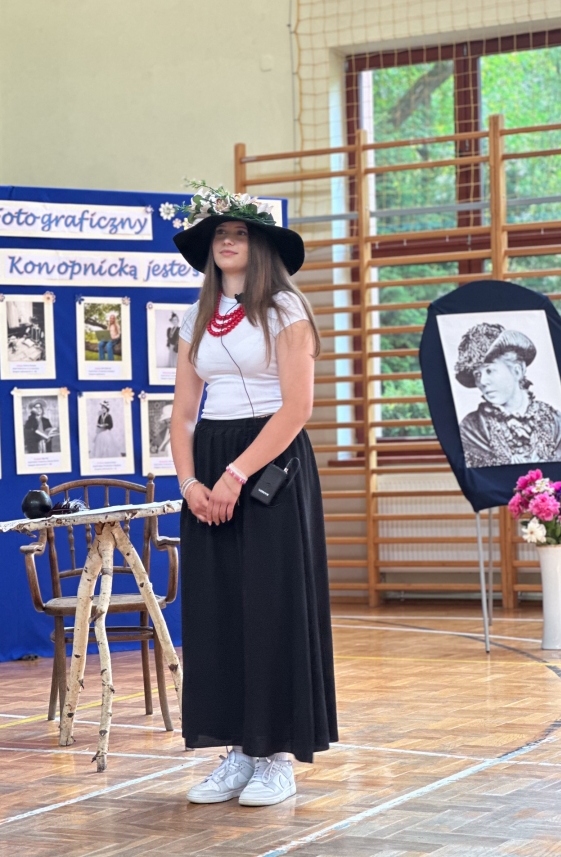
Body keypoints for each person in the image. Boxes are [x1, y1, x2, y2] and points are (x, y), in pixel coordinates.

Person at [170, 184, 337, 808]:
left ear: (260, 246)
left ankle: (276, 757)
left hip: (270, 464)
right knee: (218, 609)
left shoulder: (287, 309)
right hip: (209, 463)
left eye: (239, 233)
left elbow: (297, 408)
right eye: (220, 234)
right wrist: (190, 483)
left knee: (271, 606)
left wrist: (236, 475)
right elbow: (182, 414)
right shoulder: (195, 317)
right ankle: (238, 750)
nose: (227, 242)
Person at [454, 323, 561, 468]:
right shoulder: (471, 428)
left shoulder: (556, 422)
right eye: (477, 374)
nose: (482, 382)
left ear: (517, 371)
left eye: (489, 371)